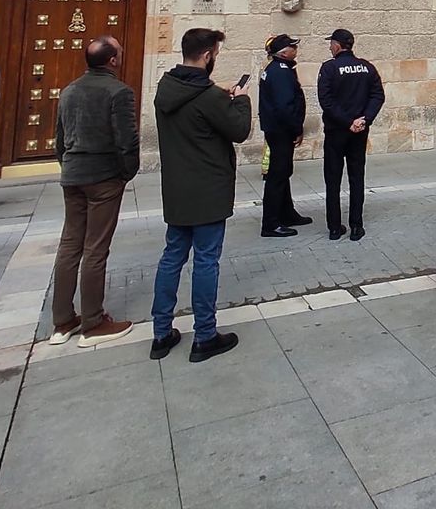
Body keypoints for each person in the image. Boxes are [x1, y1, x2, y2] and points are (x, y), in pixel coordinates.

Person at [149, 28, 251, 363]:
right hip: (208, 190)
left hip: (177, 190)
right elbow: (238, 130)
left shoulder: (166, 89)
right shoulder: (210, 97)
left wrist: (216, 94)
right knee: (206, 260)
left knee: (172, 257)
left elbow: (196, 106)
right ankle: (205, 335)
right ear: (207, 55)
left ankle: (161, 333)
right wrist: (242, 99)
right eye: (216, 54)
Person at [49, 35, 139, 347]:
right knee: (96, 249)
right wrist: (127, 172)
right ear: (112, 60)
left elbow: (59, 137)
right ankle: (93, 322)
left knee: (70, 245)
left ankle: (62, 321)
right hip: (103, 177)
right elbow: (127, 140)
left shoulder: (69, 90)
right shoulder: (119, 92)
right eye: (120, 51)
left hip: (72, 174)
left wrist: (67, 164)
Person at [317, 28, 384, 241]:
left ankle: (335, 228)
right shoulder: (367, 67)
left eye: (331, 43)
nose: (329, 47)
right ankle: (356, 226)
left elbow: (326, 101)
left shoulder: (329, 68)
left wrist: (348, 121)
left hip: (337, 131)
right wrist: (364, 119)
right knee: (357, 178)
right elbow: (377, 96)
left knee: (333, 180)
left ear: (337, 45)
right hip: (359, 132)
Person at [258, 34, 311, 237]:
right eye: (292, 47)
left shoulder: (277, 69)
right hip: (281, 130)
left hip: (276, 128)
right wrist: (296, 128)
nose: (295, 50)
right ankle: (270, 223)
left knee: (282, 172)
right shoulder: (280, 72)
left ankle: (287, 213)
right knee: (277, 176)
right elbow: (285, 106)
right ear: (283, 52)